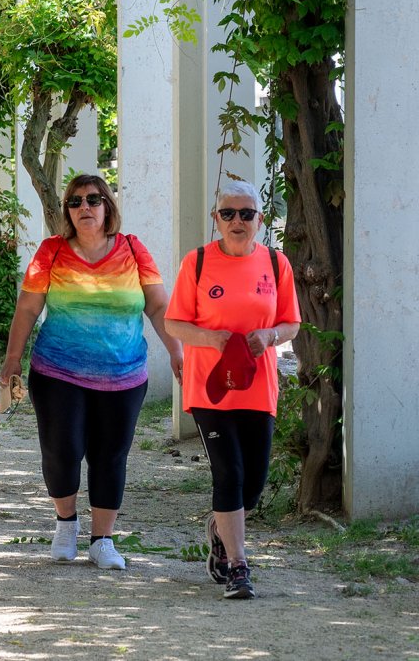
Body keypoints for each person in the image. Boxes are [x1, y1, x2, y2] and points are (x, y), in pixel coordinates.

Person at [0, 174, 183, 571]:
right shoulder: (51, 251)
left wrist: (176, 351)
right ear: (67, 210)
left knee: (110, 455)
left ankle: (103, 540)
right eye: (76, 201)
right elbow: (29, 308)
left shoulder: (133, 250)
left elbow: (157, 306)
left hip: (123, 374)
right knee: (62, 450)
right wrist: (13, 358)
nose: (85, 207)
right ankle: (66, 523)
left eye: (94, 200)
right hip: (57, 372)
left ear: (108, 207)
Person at [164, 180, 300, 599]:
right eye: (228, 213)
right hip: (211, 390)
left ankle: (221, 531)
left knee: (253, 484)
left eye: (246, 213)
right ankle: (238, 565)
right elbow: (174, 323)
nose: (237, 221)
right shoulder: (198, 263)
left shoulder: (277, 264)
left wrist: (271, 336)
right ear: (215, 219)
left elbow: (291, 322)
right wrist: (214, 339)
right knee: (230, 473)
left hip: (258, 387)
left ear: (260, 219)